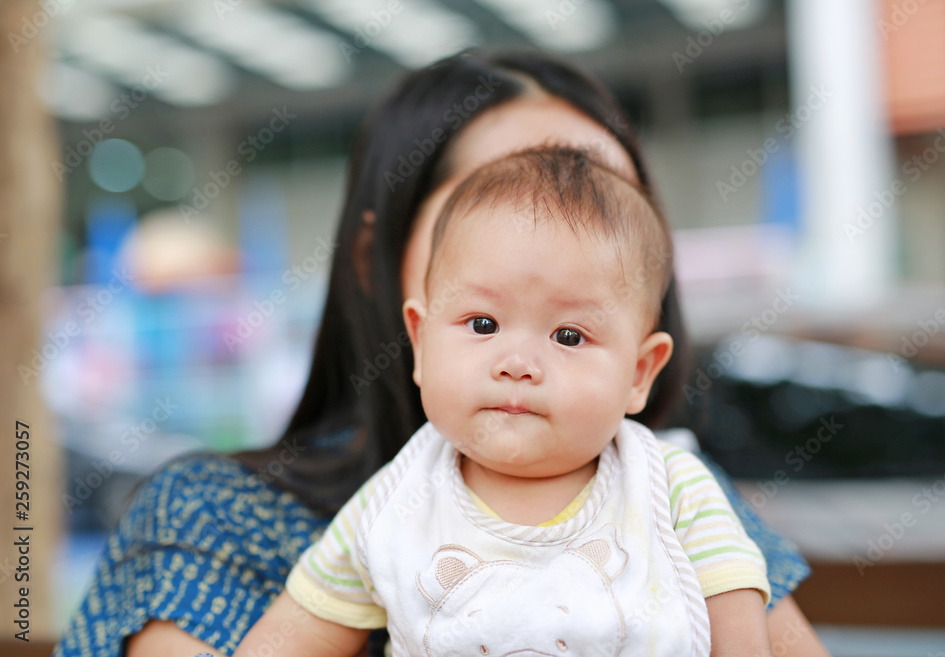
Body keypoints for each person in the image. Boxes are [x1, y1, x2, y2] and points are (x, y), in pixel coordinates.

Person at [54, 51, 826, 657]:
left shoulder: (667, 486)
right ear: (376, 259)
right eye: (503, 198)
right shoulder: (221, 518)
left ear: (641, 354)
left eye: (601, 208)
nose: (558, 249)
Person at [232, 146, 773, 657]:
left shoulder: (670, 490)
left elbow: (742, 639)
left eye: (568, 336)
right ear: (420, 343)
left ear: (638, 372)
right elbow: (288, 641)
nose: (517, 363)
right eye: (483, 324)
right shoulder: (393, 506)